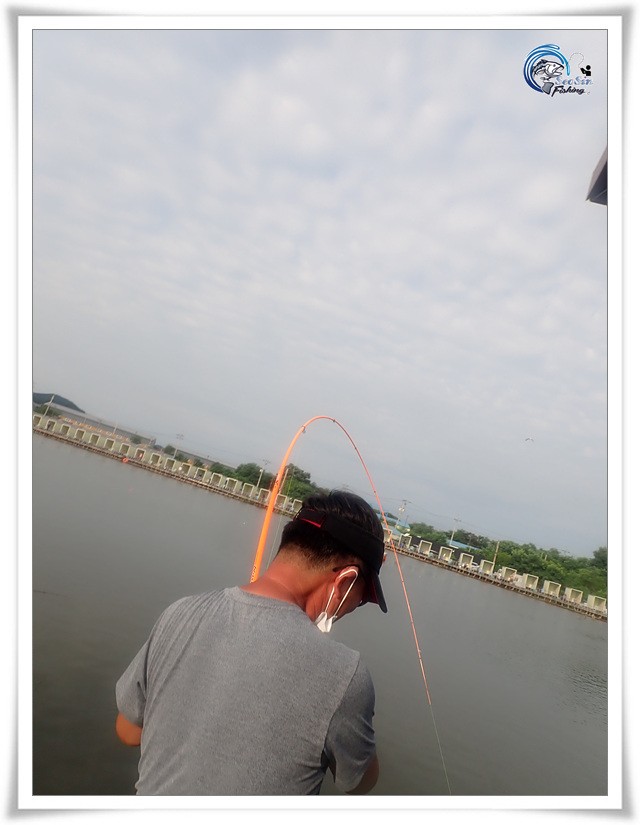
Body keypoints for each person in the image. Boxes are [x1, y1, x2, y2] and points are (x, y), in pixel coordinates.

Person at [115, 489, 387, 795]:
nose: (352, 609)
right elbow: (357, 783)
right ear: (346, 580)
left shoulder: (180, 612)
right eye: (361, 599)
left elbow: (128, 731)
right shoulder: (346, 674)